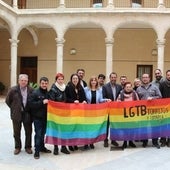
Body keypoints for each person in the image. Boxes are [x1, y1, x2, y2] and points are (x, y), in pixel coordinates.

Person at [5, 74, 33, 155]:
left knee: (28, 131)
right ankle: (17, 147)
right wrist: (14, 108)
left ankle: (28, 147)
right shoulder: (13, 90)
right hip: (16, 114)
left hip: (27, 113)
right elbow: (8, 101)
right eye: (22, 80)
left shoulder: (31, 90)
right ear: (19, 81)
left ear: (27, 81)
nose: (24, 82)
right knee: (16, 132)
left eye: (25, 81)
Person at [84, 76, 111, 150]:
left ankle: (91, 142)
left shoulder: (99, 90)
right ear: (90, 81)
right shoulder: (86, 89)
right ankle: (86, 142)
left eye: (95, 80)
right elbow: (83, 98)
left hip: (95, 111)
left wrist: (106, 100)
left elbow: (100, 100)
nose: (93, 82)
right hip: (87, 111)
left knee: (93, 127)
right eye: (92, 80)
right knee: (87, 127)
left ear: (96, 82)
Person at [136, 73, 162, 149]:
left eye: (146, 77)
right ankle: (145, 141)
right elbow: (136, 100)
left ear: (149, 78)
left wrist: (153, 98)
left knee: (154, 126)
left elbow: (160, 97)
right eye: (143, 77)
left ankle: (155, 142)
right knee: (144, 126)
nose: (145, 79)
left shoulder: (155, 87)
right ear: (142, 79)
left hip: (153, 111)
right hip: (143, 112)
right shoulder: (138, 89)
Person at [28, 77, 51, 159]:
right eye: (43, 83)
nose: (44, 85)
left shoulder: (48, 93)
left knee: (43, 134)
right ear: (40, 83)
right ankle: (37, 151)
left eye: (46, 83)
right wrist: (42, 102)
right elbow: (31, 104)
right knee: (38, 134)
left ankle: (42, 148)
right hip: (37, 118)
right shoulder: (35, 93)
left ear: (47, 84)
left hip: (46, 118)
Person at [48, 73, 70, 155]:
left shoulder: (65, 88)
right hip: (56, 114)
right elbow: (52, 101)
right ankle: (56, 147)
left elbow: (67, 99)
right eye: (59, 79)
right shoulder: (53, 89)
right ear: (56, 80)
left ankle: (63, 147)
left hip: (64, 113)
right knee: (56, 131)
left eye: (62, 79)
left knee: (64, 130)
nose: (60, 81)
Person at [65, 73, 87, 151]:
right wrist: (73, 101)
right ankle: (70, 144)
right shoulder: (68, 87)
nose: (75, 80)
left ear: (78, 80)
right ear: (71, 79)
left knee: (77, 128)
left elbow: (84, 98)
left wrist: (84, 101)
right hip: (71, 111)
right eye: (74, 78)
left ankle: (75, 143)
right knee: (71, 128)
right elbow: (66, 99)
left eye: (76, 79)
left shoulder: (80, 87)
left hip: (79, 112)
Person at [102, 72, 122, 147]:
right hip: (108, 109)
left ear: (116, 78)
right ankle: (105, 140)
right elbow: (103, 97)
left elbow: (121, 95)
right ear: (110, 78)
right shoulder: (105, 86)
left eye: (114, 77)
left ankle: (114, 140)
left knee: (115, 125)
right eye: (112, 77)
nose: (113, 79)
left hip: (116, 110)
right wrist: (107, 100)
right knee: (107, 125)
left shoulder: (119, 86)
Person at [117, 82, 139, 149]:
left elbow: (138, 102)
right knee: (125, 129)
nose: (128, 88)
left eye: (130, 87)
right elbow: (117, 102)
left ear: (131, 87)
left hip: (132, 114)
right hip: (124, 115)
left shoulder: (134, 94)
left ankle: (131, 141)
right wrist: (118, 102)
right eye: (127, 87)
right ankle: (125, 142)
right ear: (124, 87)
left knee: (132, 129)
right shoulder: (121, 94)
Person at [159, 70, 170, 147]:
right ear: (166, 76)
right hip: (164, 107)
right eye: (168, 75)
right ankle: (163, 140)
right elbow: (160, 95)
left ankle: (169, 140)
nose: (169, 76)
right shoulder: (162, 84)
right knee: (163, 124)